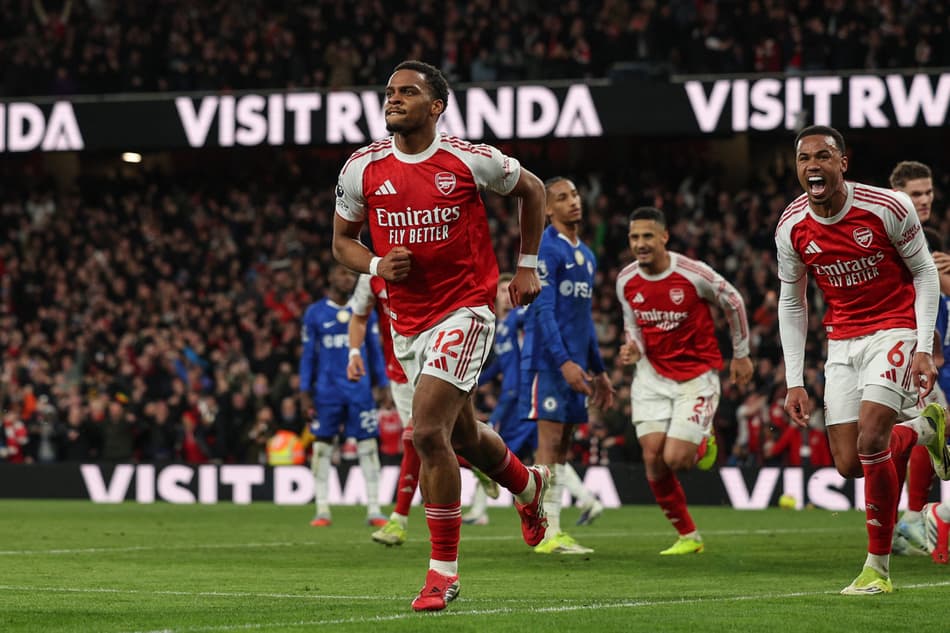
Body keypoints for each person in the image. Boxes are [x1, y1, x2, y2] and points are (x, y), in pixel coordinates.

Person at [332, 60, 550, 612]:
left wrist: (526, 265)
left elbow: (533, 189)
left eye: (408, 92)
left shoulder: (467, 159)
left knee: (426, 432)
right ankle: (528, 487)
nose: (393, 99)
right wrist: (378, 265)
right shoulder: (361, 168)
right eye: (388, 92)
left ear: (436, 107)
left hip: (467, 309)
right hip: (407, 322)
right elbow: (341, 243)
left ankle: (442, 572)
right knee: (462, 438)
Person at [775, 125, 948, 594]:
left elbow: (925, 273)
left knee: (872, 436)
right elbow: (793, 302)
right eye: (804, 158)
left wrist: (923, 345)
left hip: (894, 327)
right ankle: (922, 429)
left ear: (842, 163)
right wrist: (795, 380)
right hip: (842, 341)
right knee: (850, 463)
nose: (813, 165)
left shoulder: (887, 207)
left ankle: (878, 568)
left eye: (824, 156)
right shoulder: (792, 226)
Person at [616, 206, 753, 555]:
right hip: (651, 374)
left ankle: (704, 441)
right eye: (634, 237)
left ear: (664, 237)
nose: (640, 244)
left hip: (696, 376)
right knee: (651, 456)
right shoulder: (626, 280)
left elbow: (734, 301)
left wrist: (741, 353)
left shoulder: (693, 274)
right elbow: (632, 324)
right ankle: (688, 535)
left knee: (676, 459)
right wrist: (633, 347)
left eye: (648, 236)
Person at [519, 176, 615, 555]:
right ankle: (546, 531)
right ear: (546, 209)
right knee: (549, 445)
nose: (573, 201)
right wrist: (563, 364)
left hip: (575, 365)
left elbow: (584, 320)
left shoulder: (587, 255)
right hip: (548, 364)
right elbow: (543, 310)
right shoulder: (547, 248)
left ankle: (551, 527)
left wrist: (600, 370)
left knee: (562, 449)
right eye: (561, 197)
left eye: (575, 194)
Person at [887, 162, 950, 557]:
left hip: (926, 355)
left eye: (928, 193)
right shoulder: (886, 232)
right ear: (897, 195)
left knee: (921, 433)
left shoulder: (931, 243)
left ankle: (908, 524)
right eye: (916, 194)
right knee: (917, 433)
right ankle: (911, 521)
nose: (924, 200)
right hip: (894, 348)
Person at [299, 263, 389, 528]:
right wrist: (305, 390)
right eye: (343, 273)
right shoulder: (315, 313)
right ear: (330, 277)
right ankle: (322, 509)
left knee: (368, 446)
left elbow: (374, 349)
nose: (348, 278)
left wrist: (383, 384)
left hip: (359, 391)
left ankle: (374, 508)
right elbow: (308, 355)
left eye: (352, 274)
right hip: (327, 392)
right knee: (322, 446)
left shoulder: (363, 310)